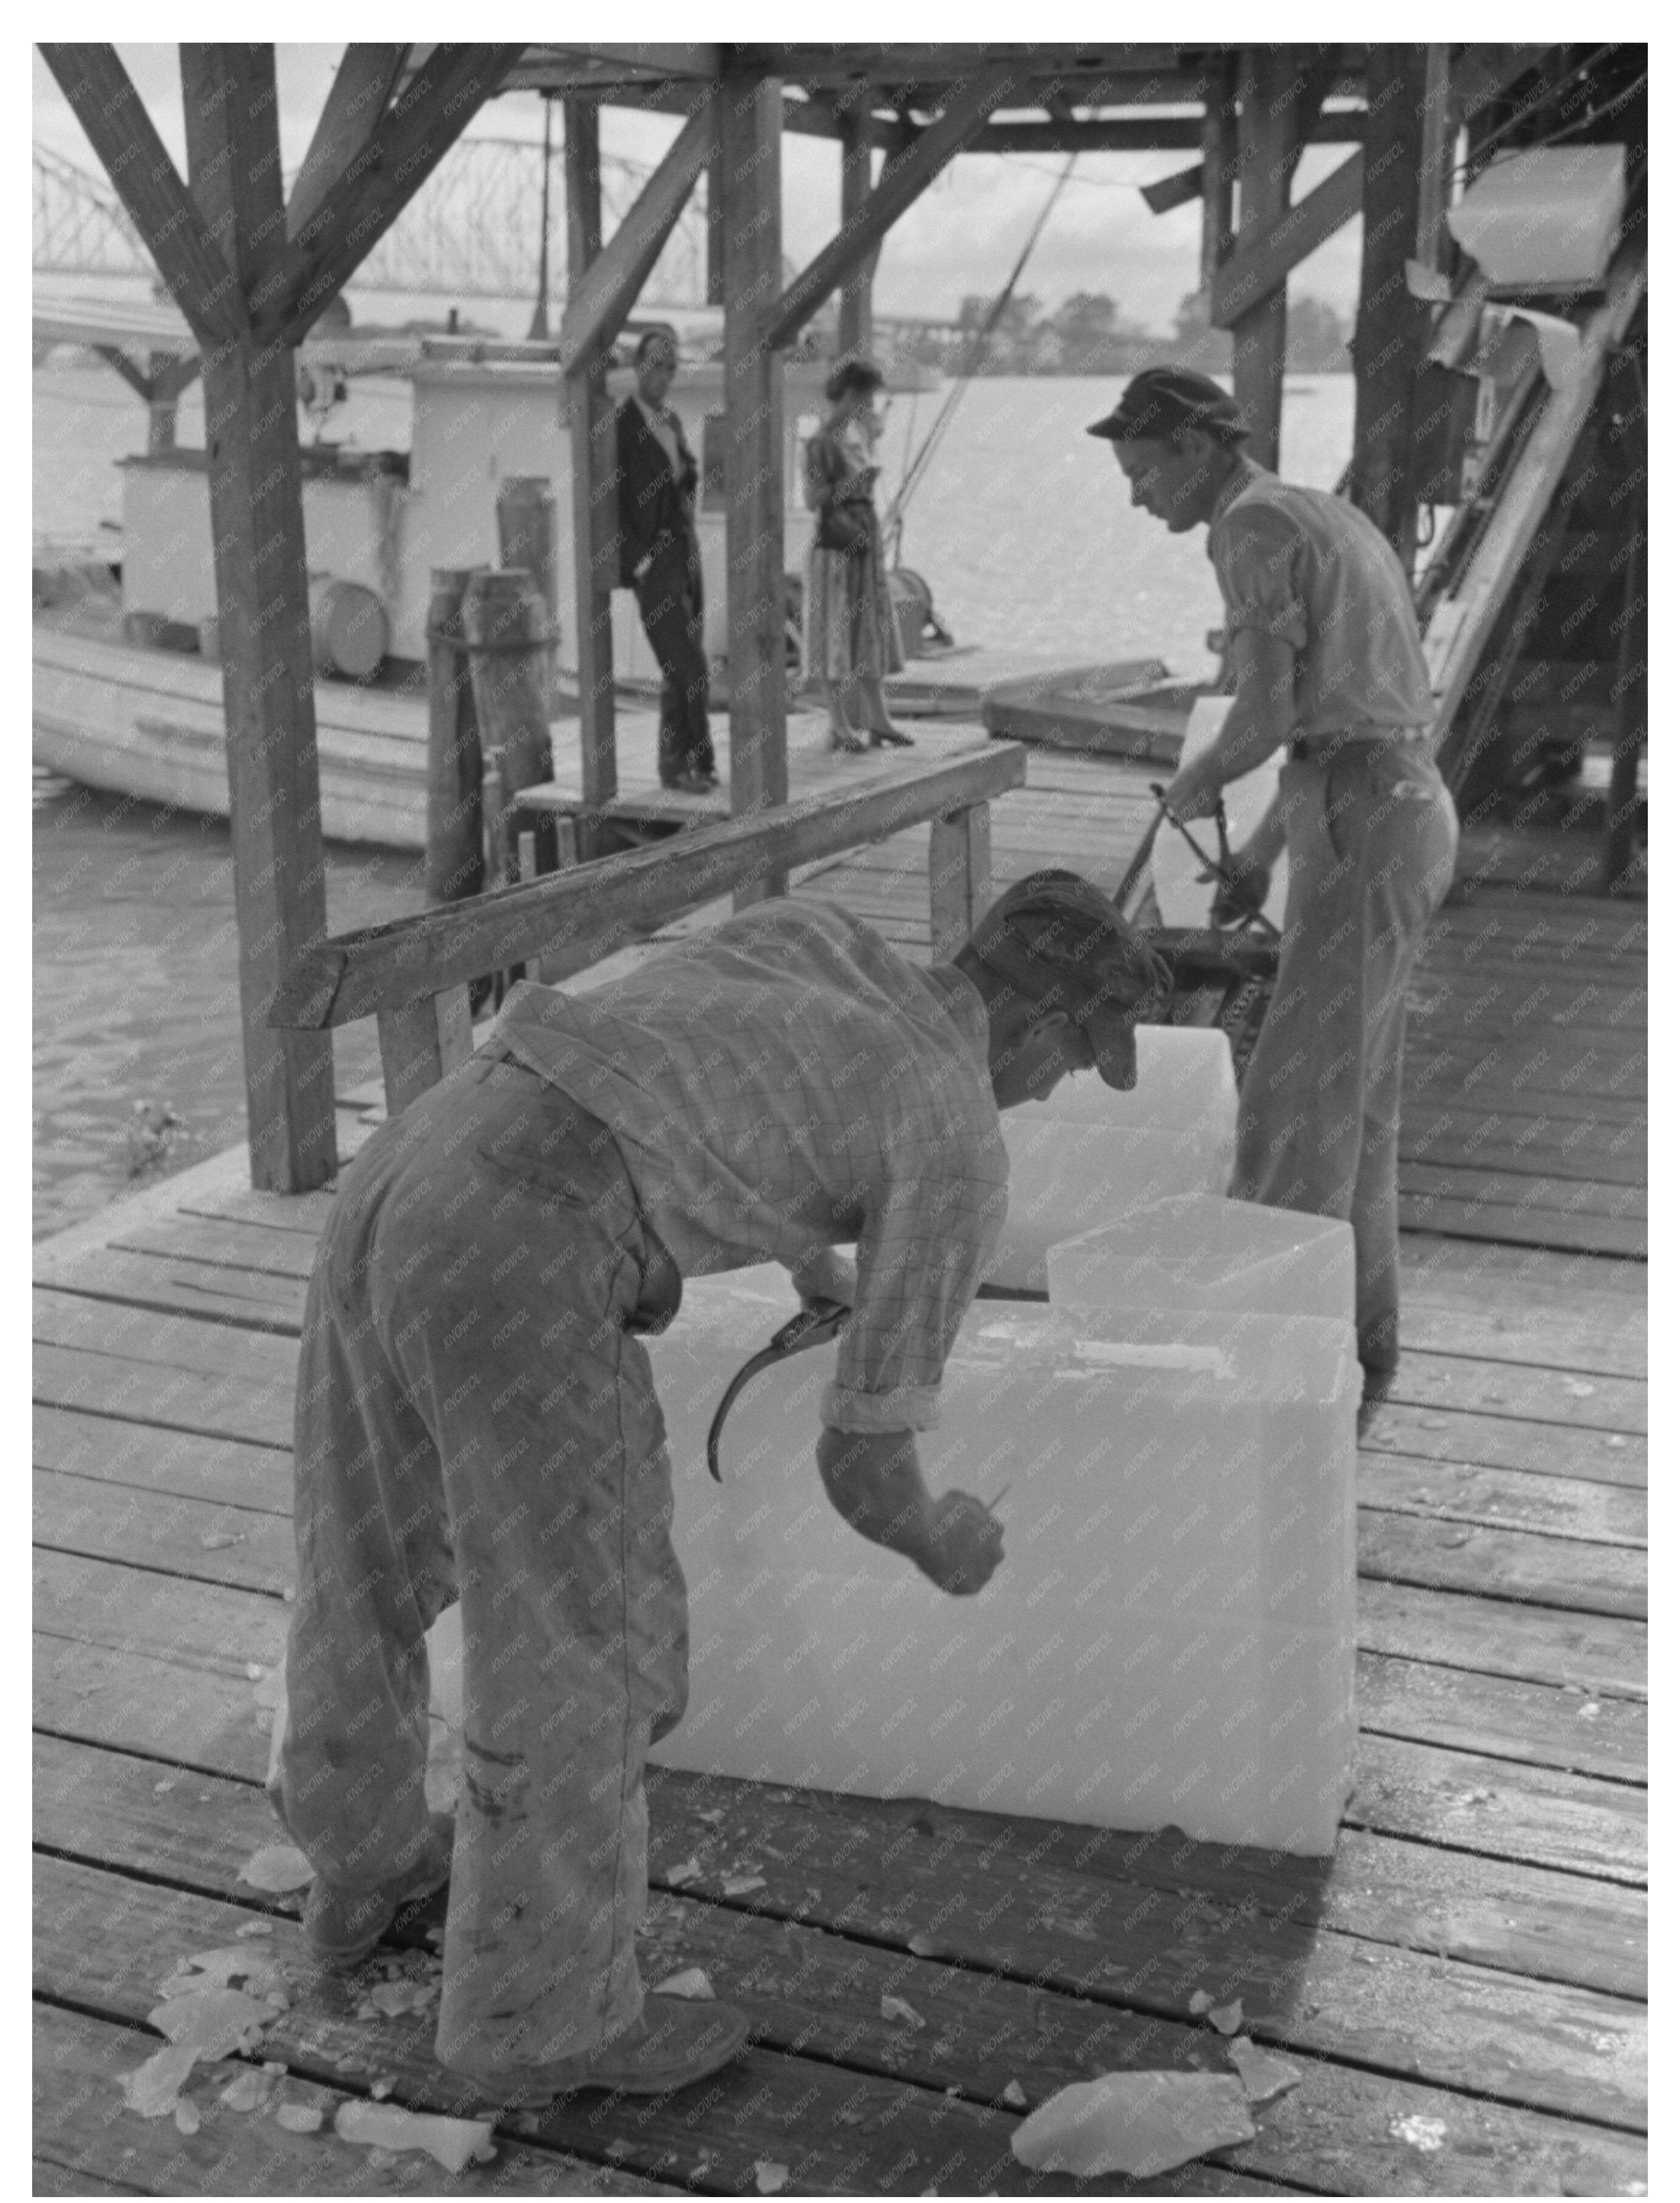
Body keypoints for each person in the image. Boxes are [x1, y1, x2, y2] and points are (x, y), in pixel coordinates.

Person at [270, 870, 1171, 2108]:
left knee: (356, 1557)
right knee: (584, 1637)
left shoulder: (823, 933)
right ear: (1043, 1024)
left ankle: (356, 1862)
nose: (1051, 1089)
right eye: (1074, 1061)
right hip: (525, 1236)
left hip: (419, 1156)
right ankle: (541, 2021)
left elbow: (672, 1074)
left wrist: (814, 1254)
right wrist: (937, 1535)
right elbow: (860, 1461)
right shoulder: (956, 1129)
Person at [1088, 366, 1460, 1409]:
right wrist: (1252, 850)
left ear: (1197, 450)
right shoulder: (1318, 511)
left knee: (1291, 1104)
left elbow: (1258, 721)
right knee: (1358, 1097)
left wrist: (1191, 787)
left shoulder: (1244, 526)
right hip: (1398, 802)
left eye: (1142, 471)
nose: (1136, 496)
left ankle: (1265, 1368)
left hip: (1360, 814)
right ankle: (1362, 1334)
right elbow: (1334, 719)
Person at [617, 326, 718, 793]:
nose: (664, 375)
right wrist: (637, 560)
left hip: (685, 553)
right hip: (655, 560)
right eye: (656, 364)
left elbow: (685, 480)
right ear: (638, 366)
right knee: (690, 668)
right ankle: (699, 762)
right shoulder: (622, 426)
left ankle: (674, 766)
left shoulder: (671, 421)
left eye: (672, 367)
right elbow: (610, 499)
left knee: (683, 666)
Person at [801, 355, 915, 752]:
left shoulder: (855, 434)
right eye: (866, 397)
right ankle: (840, 724)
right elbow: (813, 499)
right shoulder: (819, 443)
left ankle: (877, 718)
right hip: (835, 547)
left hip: (862, 543)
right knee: (836, 632)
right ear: (850, 395)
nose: (869, 404)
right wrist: (853, 485)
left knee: (869, 630)